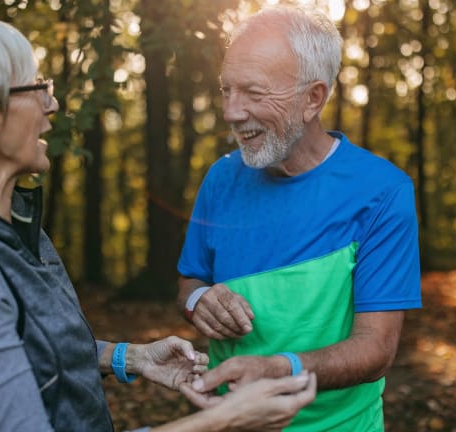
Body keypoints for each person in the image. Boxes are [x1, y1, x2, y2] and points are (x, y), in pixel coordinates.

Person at [0, 13, 316, 432]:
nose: (52, 103)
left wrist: (131, 358)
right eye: (35, 87)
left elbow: (34, 353)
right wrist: (221, 421)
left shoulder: (11, 226)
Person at [176, 5, 422, 431]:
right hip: (226, 423)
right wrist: (199, 300)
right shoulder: (220, 179)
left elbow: (377, 348)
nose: (232, 112)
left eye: (253, 93)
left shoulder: (383, 191)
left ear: (313, 99)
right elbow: (189, 283)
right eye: (226, 90)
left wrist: (279, 368)